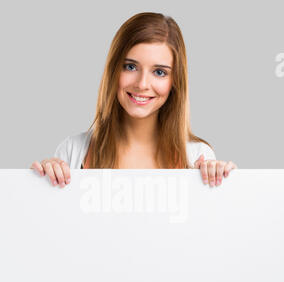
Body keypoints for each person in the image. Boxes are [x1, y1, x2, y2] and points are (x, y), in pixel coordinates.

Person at [31, 12, 237, 187]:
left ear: (175, 81)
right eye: (130, 66)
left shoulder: (197, 156)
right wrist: (39, 185)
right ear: (113, 70)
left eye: (159, 72)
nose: (142, 84)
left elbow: (207, 229)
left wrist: (221, 185)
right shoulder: (73, 151)